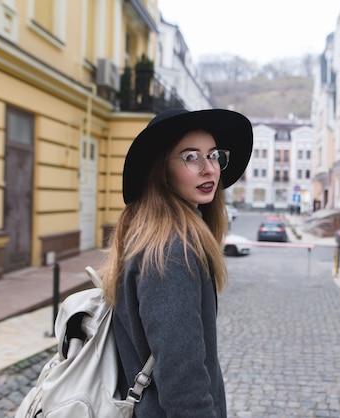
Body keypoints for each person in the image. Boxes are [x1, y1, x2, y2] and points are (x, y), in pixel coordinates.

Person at [100, 108, 253, 417]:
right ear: (161, 170)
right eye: (190, 157)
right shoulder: (172, 251)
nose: (209, 169)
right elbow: (182, 380)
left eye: (213, 155)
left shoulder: (153, 236)